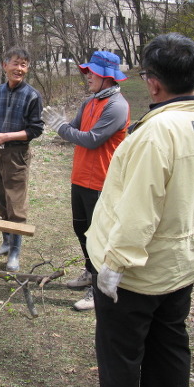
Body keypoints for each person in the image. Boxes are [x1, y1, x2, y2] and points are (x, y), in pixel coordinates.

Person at [87, 33, 194, 387]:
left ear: (153, 82)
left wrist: (113, 266)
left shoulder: (156, 133)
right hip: (181, 266)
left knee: (121, 361)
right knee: (169, 352)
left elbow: (138, 211)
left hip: (136, 276)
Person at [43, 51, 130, 311]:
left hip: (102, 181)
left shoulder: (117, 106)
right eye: (88, 71)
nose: (88, 76)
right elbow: (73, 132)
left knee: (98, 237)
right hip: (80, 177)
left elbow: (91, 139)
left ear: (106, 76)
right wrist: (62, 127)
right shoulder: (90, 102)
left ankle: (98, 289)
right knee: (80, 229)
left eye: (92, 72)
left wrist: (62, 128)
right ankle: (90, 273)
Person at [0, 47, 44, 272]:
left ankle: (16, 251)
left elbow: (36, 130)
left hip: (17, 155)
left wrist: (6, 136)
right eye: (16, 63)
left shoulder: (32, 95)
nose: (19, 69)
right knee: (0, 198)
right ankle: (6, 242)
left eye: (24, 65)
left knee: (15, 203)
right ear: (4, 65)